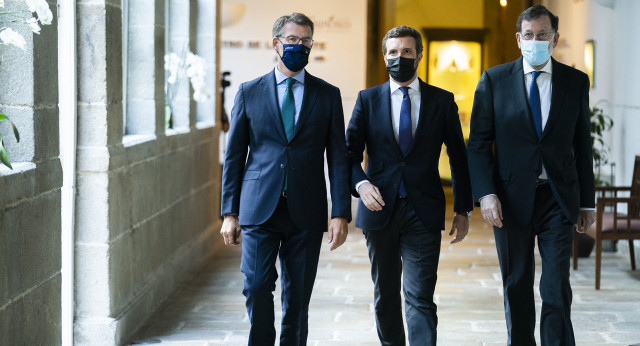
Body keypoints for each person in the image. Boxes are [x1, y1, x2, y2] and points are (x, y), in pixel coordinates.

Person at [467, 5, 596, 346]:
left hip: (557, 197)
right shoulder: (494, 80)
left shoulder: (575, 82)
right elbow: (478, 144)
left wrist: (587, 203)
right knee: (517, 282)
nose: (535, 41)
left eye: (542, 35)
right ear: (518, 39)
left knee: (556, 286)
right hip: (510, 199)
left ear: (556, 38)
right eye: (529, 35)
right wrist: (486, 193)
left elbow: (583, 146)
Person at [219, 13, 351, 346]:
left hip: (306, 210)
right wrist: (229, 213)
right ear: (276, 43)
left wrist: (339, 213)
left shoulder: (327, 95)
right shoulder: (249, 93)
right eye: (292, 40)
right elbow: (234, 157)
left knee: (298, 298)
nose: (300, 46)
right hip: (258, 208)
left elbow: (337, 157)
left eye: (306, 41)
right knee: (257, 285)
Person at [345, 25, 473, 345]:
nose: (398, 57)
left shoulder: (442, 102)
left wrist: (462, 209)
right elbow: (347, 155)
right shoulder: (367, 100)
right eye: (392, 52)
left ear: (418, 55)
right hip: (379, 210)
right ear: (384, 56)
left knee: (420, 297)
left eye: (405, 51)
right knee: (385, 296)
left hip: (423, 211)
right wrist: (360, 184)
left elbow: (459, 157)